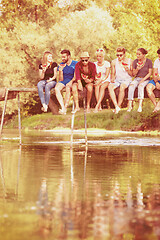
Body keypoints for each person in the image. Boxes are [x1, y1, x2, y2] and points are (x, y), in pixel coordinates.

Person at [108, 47, 133, 114]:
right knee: (110, 87)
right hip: (117, 80)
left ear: (124, 54)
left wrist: (128, 70)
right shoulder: (114, 62)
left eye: (120, 55)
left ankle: (118, 106)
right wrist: (112, 79)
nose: (119, 57)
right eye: (117, 55)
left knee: (122, 87)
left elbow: (132, 74)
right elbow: (113, 73)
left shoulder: (130, 61)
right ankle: (116, 106)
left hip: (127, 80)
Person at [128, 48, 152, 112]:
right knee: (131, 86)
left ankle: (140, 106)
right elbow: (133, 74)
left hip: (146, 79)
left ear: (143, 55)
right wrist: (137, 69)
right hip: (137, 78)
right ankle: (129, 106)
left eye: (139, 54)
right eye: (137, 54)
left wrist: (143, 80)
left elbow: (149, 73)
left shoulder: (149, 61)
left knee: (140, 86)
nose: (137, 56)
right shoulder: (135, 61)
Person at [55, 49, 77, 114]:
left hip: (72, 80)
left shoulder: (75, 63)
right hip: (64, 81)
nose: (62, 58)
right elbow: (61, 79)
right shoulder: (61, 65)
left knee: (68, 88)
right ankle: (63, 107)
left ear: (69, 56)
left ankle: (65, 107)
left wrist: (71, 82)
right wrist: (61, 71)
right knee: (56, 88)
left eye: (64, 57)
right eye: (62, 57)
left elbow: (76, 76)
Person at [94, 48, 110, 113]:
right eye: (97, 56)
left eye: (100, 56)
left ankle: (97, 105)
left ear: (103, 56)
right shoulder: (94, 64)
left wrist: (101, 80)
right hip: (98, 79)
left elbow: (107, 75)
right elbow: (94, 74)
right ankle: (99, 105)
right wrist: (97, 79)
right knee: (96, 86)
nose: (98, 58)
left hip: (105, 79)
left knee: (102, 87)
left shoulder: (107, 63)